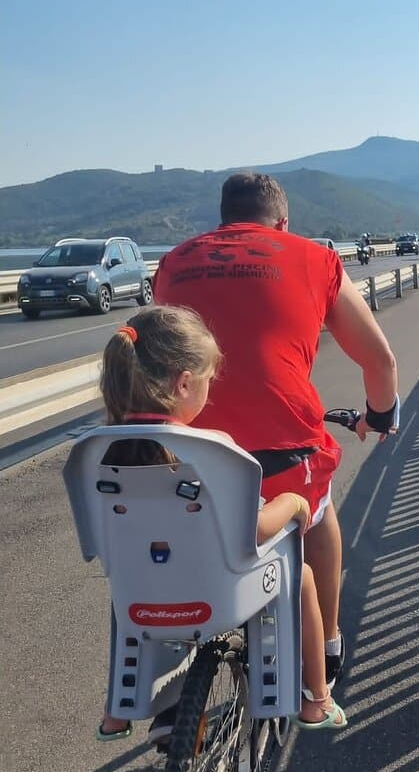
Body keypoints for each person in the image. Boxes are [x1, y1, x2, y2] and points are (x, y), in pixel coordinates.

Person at [153, 173, 398, 694]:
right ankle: (327, 646)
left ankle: (181, 651)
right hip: (280, 452)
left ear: (222, 221)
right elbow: (380, 361)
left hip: (186, 452)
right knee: (319, 511)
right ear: (283, 222)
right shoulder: (312, 257)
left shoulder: (174, 261)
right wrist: (379, 416)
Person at [95, 305, 345, 738]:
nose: (210, 393)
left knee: (125, 585)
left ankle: (117, 713)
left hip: (142, 593)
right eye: (208, 381)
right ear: (184, 383)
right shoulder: (212, 449)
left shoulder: (94, 453)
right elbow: (257, 528)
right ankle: (317, 700)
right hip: (218, 592)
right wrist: (293, 503)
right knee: (302, 578)